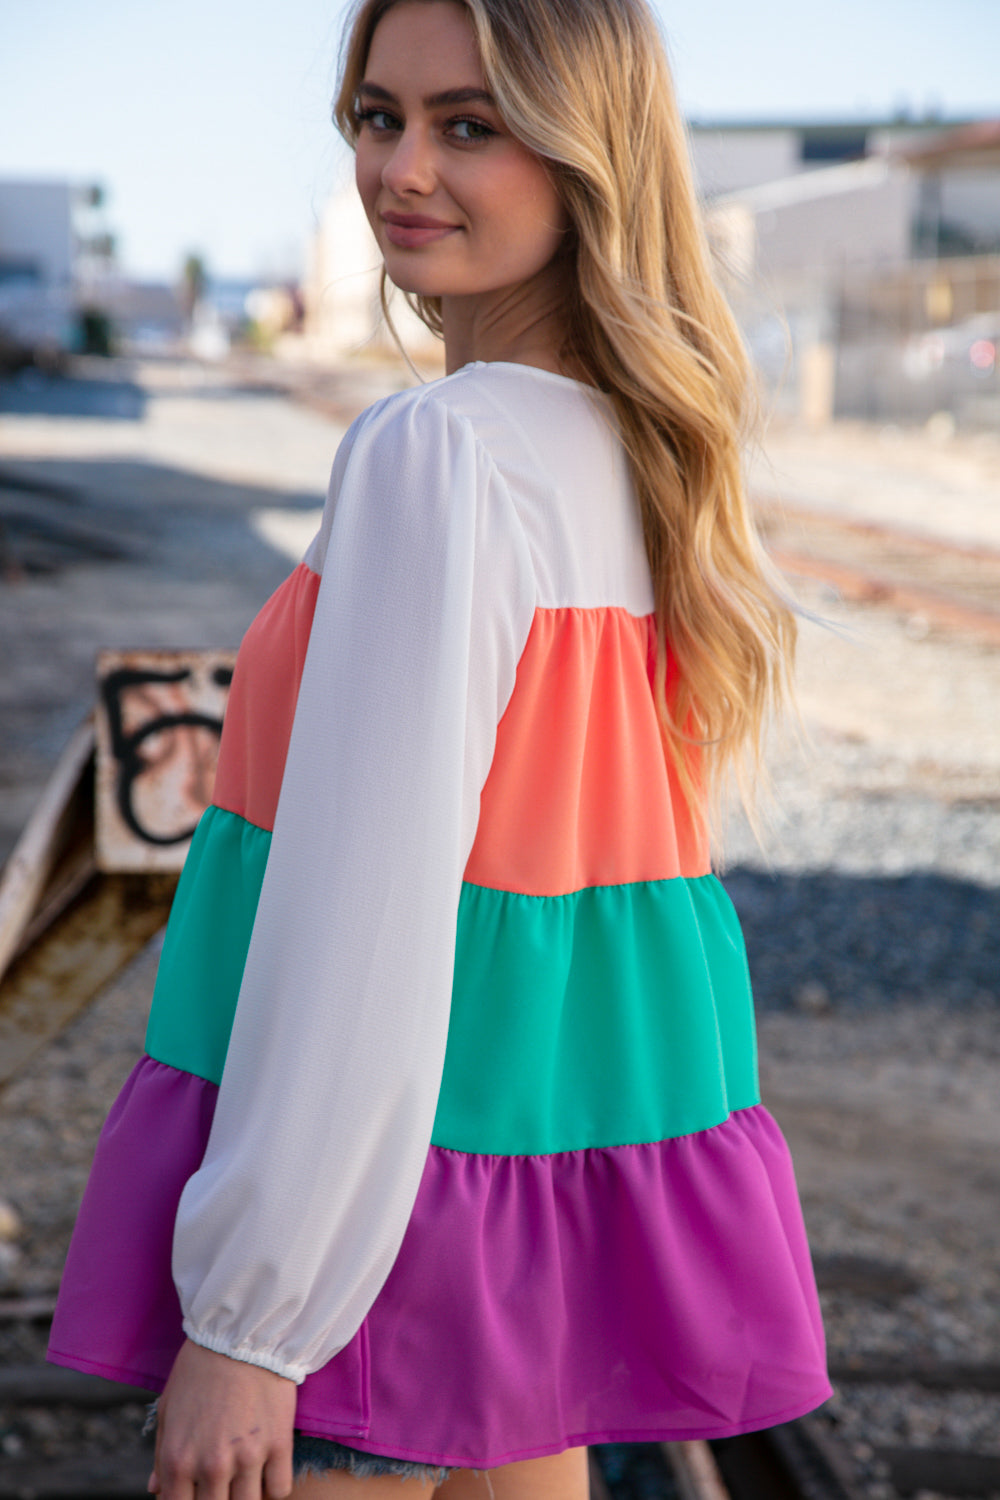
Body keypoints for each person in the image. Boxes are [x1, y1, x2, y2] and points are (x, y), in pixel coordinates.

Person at [48, 0, 832, 1494]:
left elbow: (365, 905)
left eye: (469, 125)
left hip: (372, 1245)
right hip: (522, 1204)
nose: (404, 168)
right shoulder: (634, 453)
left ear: (586, 154)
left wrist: (252, 1319)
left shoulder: (443, 451)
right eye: (376, 117)